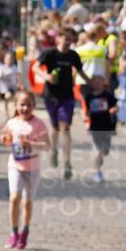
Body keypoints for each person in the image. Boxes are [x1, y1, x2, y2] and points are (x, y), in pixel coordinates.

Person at [0, 90, 49, 251]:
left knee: (27, 202)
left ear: (34, 106)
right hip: (15, 166)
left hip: (32, 168)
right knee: (14, 198)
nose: (25, 108)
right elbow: (7, 139)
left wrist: (31, 144)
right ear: (15, 105)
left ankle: (24, 231)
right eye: (22, 104)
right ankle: (13, 232)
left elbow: (47, 145)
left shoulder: (38, 124)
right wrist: (4, 140)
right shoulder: (12, 123)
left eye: (28, 104)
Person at [37, 29, 89, 180]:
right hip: (51, 96)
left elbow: (81, 72)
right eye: (65, 39)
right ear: (58, 38)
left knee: (65, 128)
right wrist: (45, 76)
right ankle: (53, 150)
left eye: (70, 40)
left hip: (67, 96)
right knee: (54, 128)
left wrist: (91, 82)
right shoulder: (49, 53)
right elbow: (35, 67)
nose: (67, 43)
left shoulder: (73, 55)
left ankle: (67, 162)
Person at [82, 75, 118, 182]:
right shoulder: (89, 97)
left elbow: (116, 106)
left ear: (104, 82)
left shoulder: (108, 95)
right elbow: (86, 111)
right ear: (91, 83)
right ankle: (97, 172)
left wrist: (113, 110)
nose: (97, 82)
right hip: (95, 128)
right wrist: (85, 117)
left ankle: (100, 157)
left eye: (99, 80)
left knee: (105, 151)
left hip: (107, 127)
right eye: (94, 80)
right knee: (98, 151)